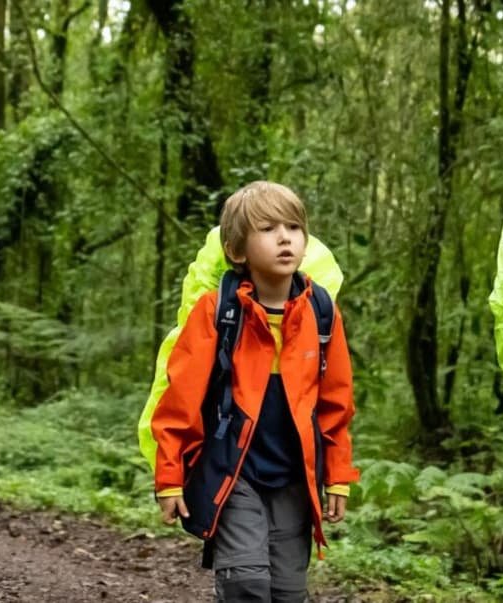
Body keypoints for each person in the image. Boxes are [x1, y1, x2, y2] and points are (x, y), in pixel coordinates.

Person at [151, 181, 359, 602]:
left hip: (294, 477)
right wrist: (170, 478)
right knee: (244, 582)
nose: (285, 238)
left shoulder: (321, 313)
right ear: (237, 250)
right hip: (234, 470)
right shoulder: (217, 311)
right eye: (267, 229)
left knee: (287, 591)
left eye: (294, 227)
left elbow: (335, 405)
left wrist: (338, 478)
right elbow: (180, 402)